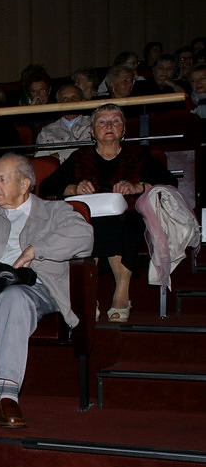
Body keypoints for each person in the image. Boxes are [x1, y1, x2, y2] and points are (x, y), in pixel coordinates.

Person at [0, 154, 93, 428]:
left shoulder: (56, 212)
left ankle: (7, 395)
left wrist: (36, 250)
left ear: (25, 184)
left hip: (36, 288)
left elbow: (84, 237)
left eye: (2, 179)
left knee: (13, 297)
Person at [40, 104, 177, 323]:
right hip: (88, 219)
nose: (109, 126)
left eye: (115, 121)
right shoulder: (79, 157)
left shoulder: (138, 155)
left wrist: (138, 186)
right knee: (88, 228)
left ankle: (121, 293)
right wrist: (73, 188)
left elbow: (169, 183)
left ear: (124, 130)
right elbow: (46, 187)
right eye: (102, 122)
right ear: (92, 132)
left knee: (122, 226)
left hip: (131, 217)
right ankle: (90, 295)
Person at [34, 84, 91, 163]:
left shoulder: (94, 124)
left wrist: (58, 156)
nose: (69, 102)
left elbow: (90, 151)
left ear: (82, 101)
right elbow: (41, 162)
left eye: (74, 98)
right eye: (64, 99)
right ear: (58, 104)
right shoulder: (46, 131)